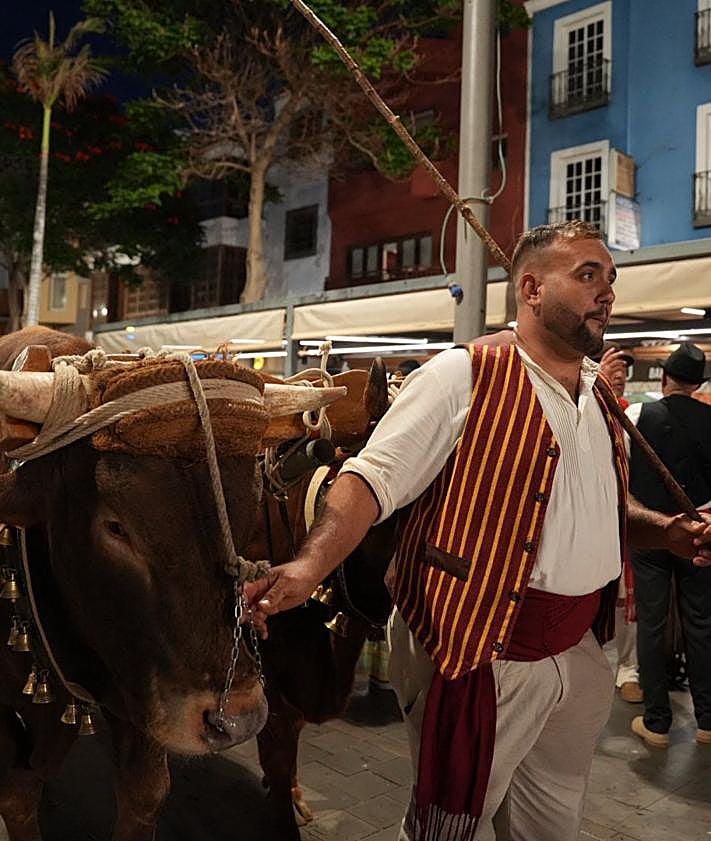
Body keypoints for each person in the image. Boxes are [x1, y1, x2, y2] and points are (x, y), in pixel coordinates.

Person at [246, 221, 711, 841]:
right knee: (448, 827)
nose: (607, 293)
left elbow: (603, 507)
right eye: (587, 275)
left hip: (580, 651)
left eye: (610, 278)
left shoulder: (598, 396)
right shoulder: (462, 375)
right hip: (480, 650)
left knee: (552, 825)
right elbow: (369, 480)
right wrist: (309, 568)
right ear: (531, 288)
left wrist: (669, 532)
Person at [625, 341, 711, 748]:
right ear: (699, 383)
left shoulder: (637, 415)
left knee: (653, 623)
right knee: (702, 622)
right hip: (699, 531)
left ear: (664, 377)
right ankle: (707, 721)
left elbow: (621, 473)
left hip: (652, 531)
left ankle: (657, 722)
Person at [597, 345, 642, 704]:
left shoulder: (634, 416)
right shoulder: (588, 409)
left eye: (623, 371)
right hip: (595, 519)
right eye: (612, 368)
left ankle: (627, 669)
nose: (619, 376)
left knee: (628, 601)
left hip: (626, 519)